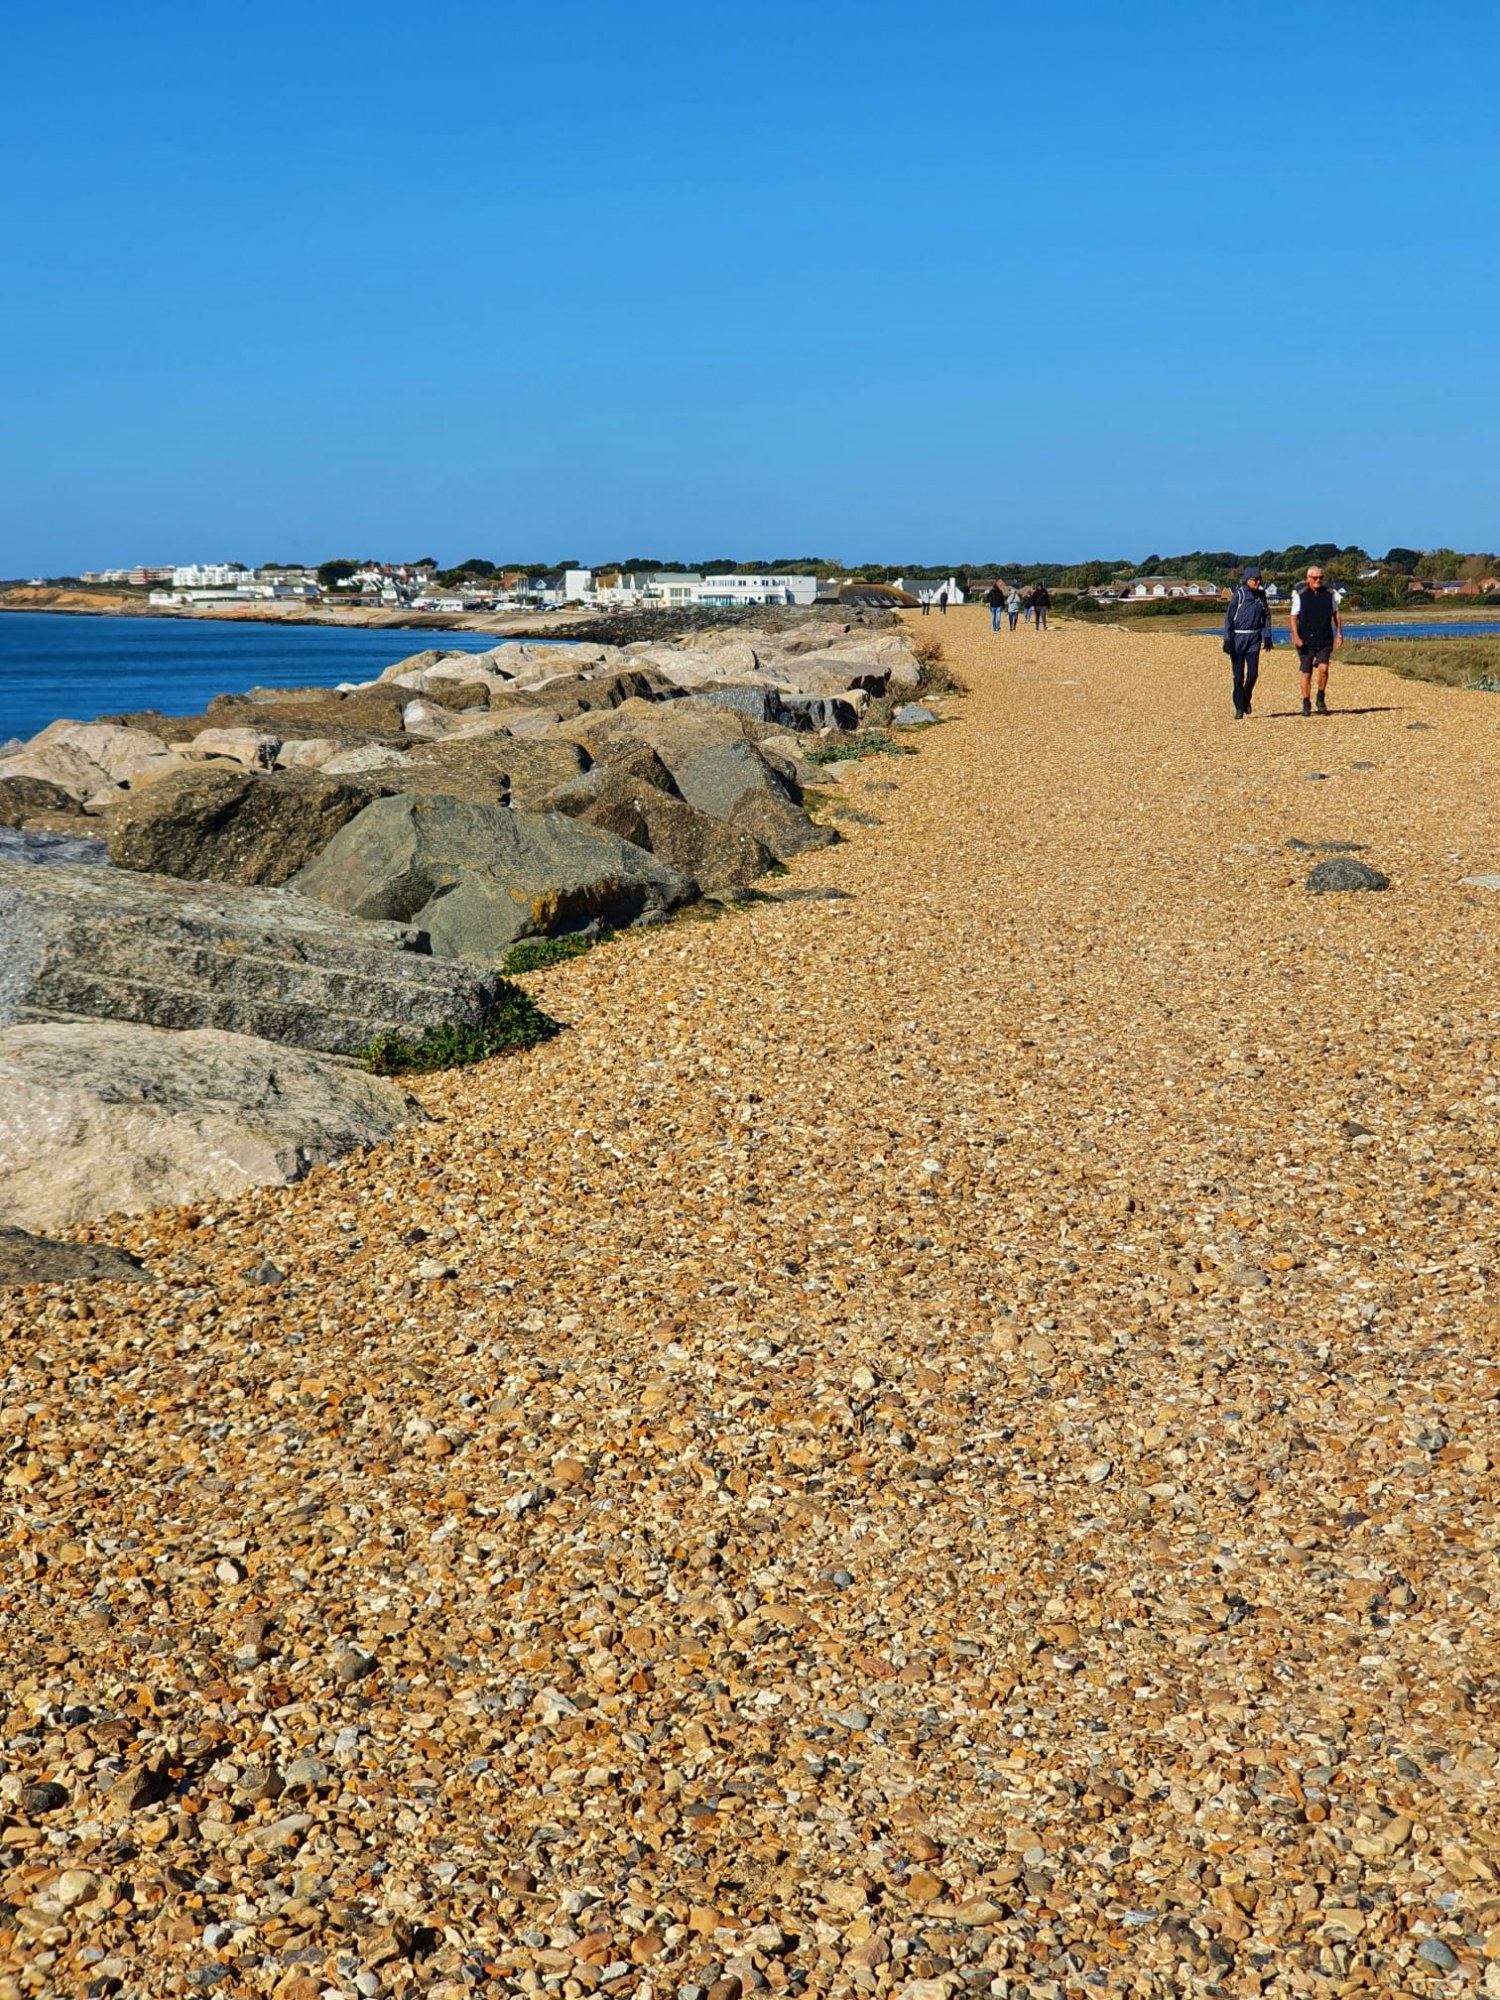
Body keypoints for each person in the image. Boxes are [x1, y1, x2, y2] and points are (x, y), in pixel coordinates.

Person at [1223, 565, 1274, 719]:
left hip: (1254, 638)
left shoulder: (1261, 596)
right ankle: (1239, 707)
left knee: (1253, 674)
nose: (1257, 582)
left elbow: (1266, 615)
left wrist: (1267, 635)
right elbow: (1229, 618)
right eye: (1254, 580)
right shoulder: (1239, 595)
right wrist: (1227, 639)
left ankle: (1246, 696)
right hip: (1238, 639)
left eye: (1259, 579)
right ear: (1246, 580)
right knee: (1238, 676)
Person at [1289, 564, 1342, 714]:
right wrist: (1296, 636)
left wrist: (1339, 634)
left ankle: (1320, 696)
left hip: (1324, 638)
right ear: (1308, 578)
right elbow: (1293, 617)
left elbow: (1336, 614)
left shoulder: (1329, 594)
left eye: (1321, 578)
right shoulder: (1301, 595)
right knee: (1306, 673)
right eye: (1315, 578)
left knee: (1324, 669)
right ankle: (1306, 702)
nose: (1318, 580)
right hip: (1305, 640)